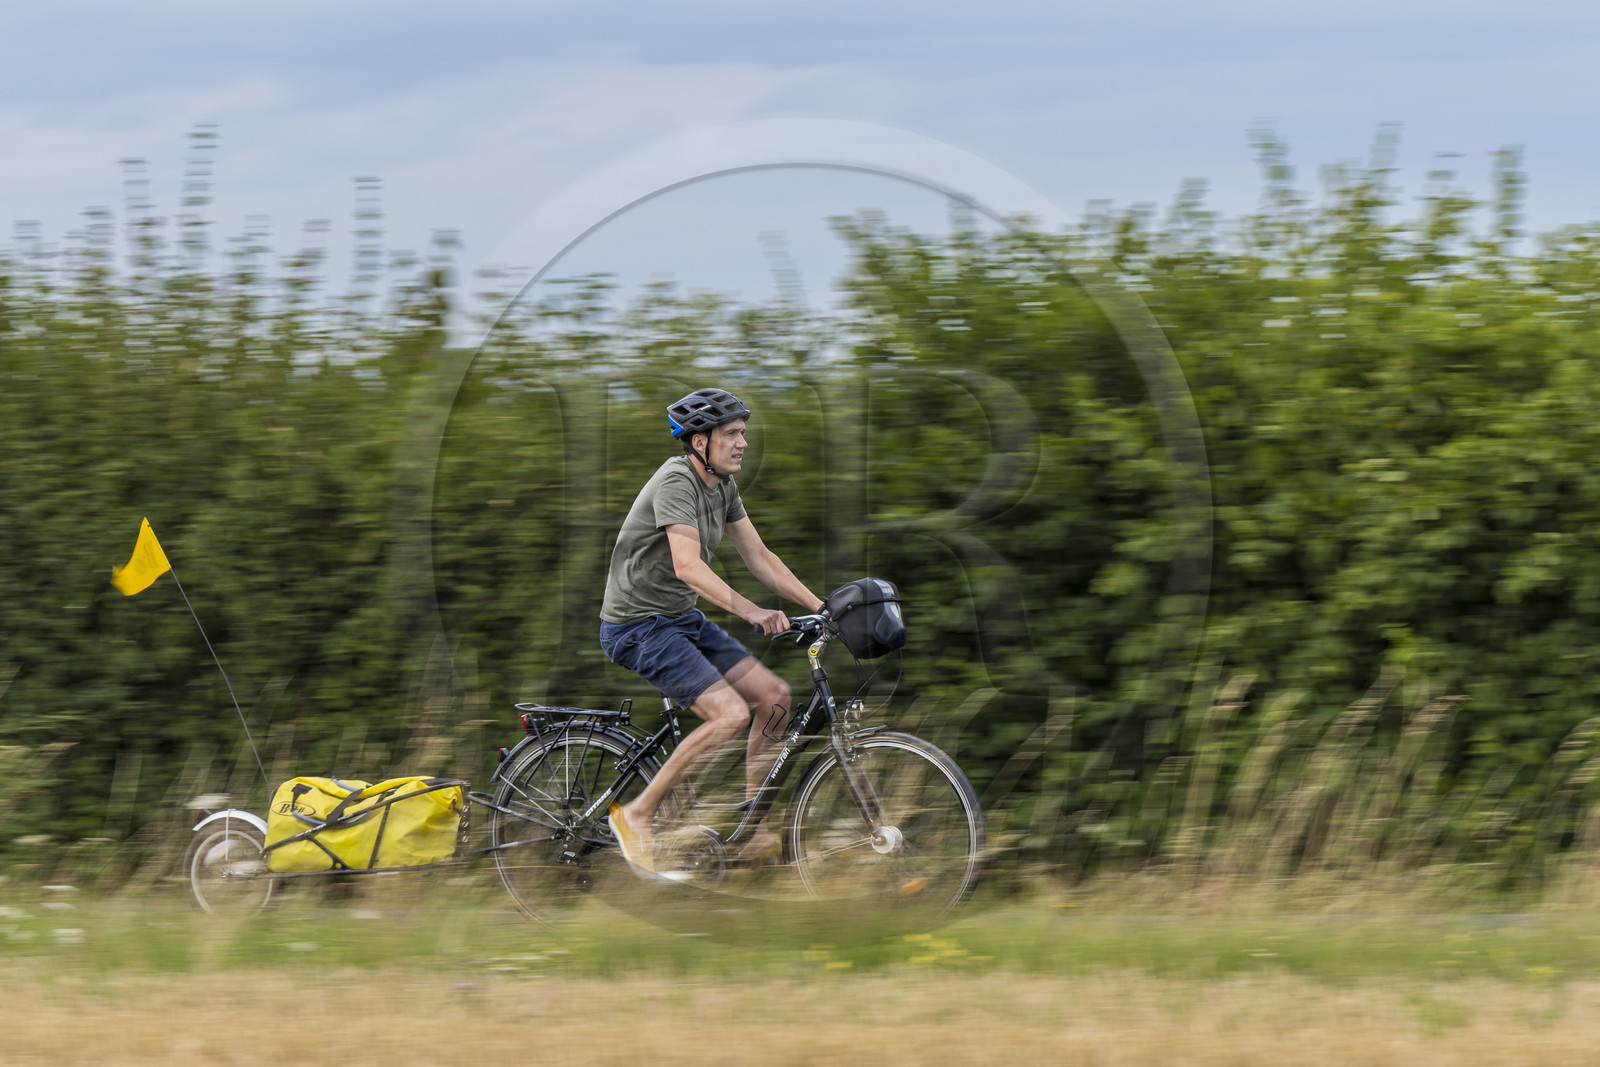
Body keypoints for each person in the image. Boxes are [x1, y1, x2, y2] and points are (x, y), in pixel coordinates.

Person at [599, 387, 823, 878]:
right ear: (699, 441)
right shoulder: (677, 483)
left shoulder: (722, 485)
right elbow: (687, 567)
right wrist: (750, 611)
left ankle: (751, 828)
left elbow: (759, 557)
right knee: (728, 716)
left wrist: (821, 607)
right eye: (731, 434)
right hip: (638, 625)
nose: (742, 442)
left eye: (743, 433)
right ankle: (637, 815)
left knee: (776, 697)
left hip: (679, 619)